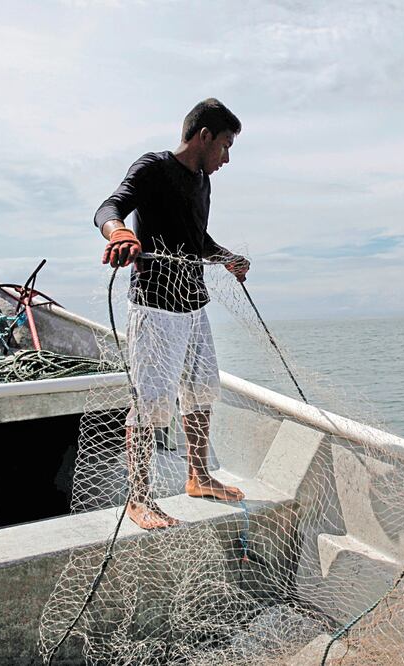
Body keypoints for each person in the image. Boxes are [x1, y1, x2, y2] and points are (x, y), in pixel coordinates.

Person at [95, 98, 250, 530]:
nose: (226, 157)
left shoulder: (203, 183)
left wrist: (226, 258)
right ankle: (139, 498)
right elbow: (107, 209)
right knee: (151, 403)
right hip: (154, 307)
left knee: (201, 390)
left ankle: (198, 477)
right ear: (204, 136)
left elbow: (196, 239)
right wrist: (121, 232)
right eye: (224, 145)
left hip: (194, 304)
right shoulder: (153, 168)